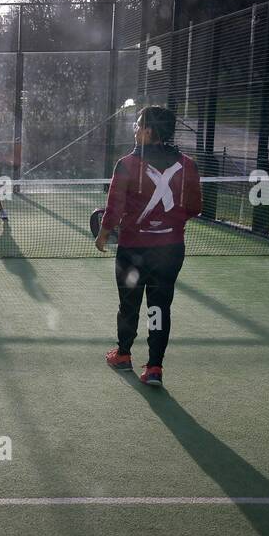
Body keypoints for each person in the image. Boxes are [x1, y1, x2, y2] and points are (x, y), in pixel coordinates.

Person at [96, 104, 202, 387]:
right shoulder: (188, 165)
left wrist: (103, 234)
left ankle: (123, 354)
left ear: (148, 131)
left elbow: (114, 209)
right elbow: (195, 207)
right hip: (170, 251)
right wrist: (168, 222)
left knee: (129, 303)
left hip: (133, 250)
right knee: (159, 306)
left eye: (138, 124)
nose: (135, 128)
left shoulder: (127, 164)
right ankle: (155, 367)